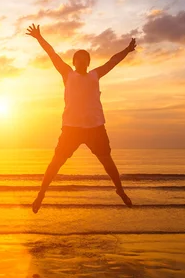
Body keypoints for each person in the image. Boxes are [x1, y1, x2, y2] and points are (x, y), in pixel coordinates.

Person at [26, 24, 136, 213]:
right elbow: (52, 54)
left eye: (85, 59)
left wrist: (127, 49)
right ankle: (41, 194)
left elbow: (112, 61)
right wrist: (39, 38)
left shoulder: (95, 75)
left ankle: (119, 190)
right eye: (79, 58)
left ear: (88, 62)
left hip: (95, 127)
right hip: (71, 128)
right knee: (55, 163)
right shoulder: (67, 74)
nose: (82, 61)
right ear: (74, 61)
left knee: (108, 162)